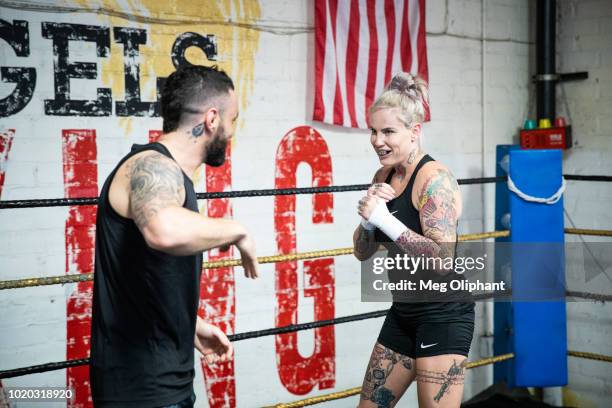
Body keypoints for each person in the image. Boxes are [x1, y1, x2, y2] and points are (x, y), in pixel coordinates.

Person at [90, 65, 259, 408]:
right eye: (232, 120)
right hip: (142, 389)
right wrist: (237, 230)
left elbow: (143, 275)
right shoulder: (153, 165)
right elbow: (162, 230)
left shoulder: (165, 173)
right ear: (212, 118)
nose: (231, 131)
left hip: (162, 380)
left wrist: (191, 324)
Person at [353, 72, 475, 408]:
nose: (378, 140)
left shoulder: (435, 180)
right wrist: (368, 221)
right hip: (404, 313)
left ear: (414, 132)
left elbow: (442, 260)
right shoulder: (383, 175)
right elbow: (361, 253)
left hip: (444, 315)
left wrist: (385, 220)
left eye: (389, 131)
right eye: (374, 131)